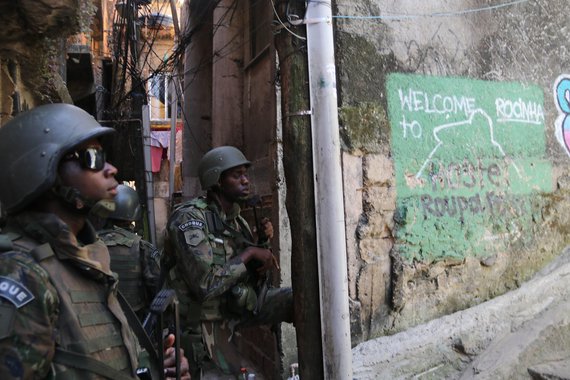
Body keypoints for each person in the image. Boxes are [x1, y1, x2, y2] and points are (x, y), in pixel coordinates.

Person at [0, 103, 190, 379]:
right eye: (93, 157)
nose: (111, 169)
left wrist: (149, 365)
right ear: (45, 171)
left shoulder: (86, 258)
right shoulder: (22, 275)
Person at [164, 146, 293, 378]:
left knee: (298, 299)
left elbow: (248, 273)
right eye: (237, 175)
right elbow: (205, 284)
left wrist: (262, 245)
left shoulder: (235, 221)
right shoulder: (190, 218)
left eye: (245, 174)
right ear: (217, 181)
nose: (245, 181)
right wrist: (251, 253)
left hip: (232, 309)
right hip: (201, 322)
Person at [96, 184, 162, 321]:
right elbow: (157, 289)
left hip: (98, 320)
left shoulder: (89, 243)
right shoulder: (142, 248)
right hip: (134, 322)